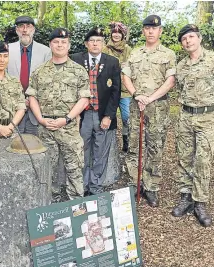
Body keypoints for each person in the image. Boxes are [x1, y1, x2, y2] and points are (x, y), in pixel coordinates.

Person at [172, 24, 214, 227]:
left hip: (207, 118)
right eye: (184, 39)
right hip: (185, 117)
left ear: (199, 38)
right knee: (185, 158)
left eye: (191, 37)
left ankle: (200, 202)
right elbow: (180, 90)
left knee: (203, 160)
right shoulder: (181, 66)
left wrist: (212, 110)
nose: (188, 41)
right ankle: (186, 197)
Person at [26, 28, 90, 201]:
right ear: (50, 45)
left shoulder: (78, 71)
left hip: (69, 128)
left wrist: (67, 118)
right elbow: (32, 96)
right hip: (45, 128)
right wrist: (40, 119)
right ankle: (50, 204)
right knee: (47, 169)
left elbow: (84, 99)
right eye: (56, 42)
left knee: (74, 168)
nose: (60, 45)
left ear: (69, 45)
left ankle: (76, 204)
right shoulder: (39, 71)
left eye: (63, 42)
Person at [122, 15, 176, 207]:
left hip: (157, 107)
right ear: (143, 31)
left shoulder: (168, 54)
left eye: (155, 28)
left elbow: (170, 81)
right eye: (147, 28)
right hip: (137, 106)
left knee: (155, 146)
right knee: (134, 145)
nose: (151, 31)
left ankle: (152, 186)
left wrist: (150, 98)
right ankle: (135, 184)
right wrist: (137, 95)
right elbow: (125, 76)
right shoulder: (135, 54)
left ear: (160, 31)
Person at [71, 27, 121, 196]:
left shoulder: (112, 62)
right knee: (82, 152)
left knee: (100, 153)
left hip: (102, 115)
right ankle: (82, 186)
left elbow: (116, 91)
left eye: (99, 41)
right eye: (92, 40)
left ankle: (96, 187)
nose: (95, 44)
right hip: (82, 115)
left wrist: (109, 116)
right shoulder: (76, 59)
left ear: (103, 43)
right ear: (86, 44)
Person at [7, 16, 52, 136]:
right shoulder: (7, 50)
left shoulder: (45, 52)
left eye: (28, 26)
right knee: (12, 149)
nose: (25, 30)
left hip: (37, 112)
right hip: (13, 110)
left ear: (34, 29)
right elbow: (3, 79)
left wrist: (31, 100)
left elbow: (48, 82)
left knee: (36, 149)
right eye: (21, 26)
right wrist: (20, 100)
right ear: (17, 30)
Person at [102, 21, 133, 152]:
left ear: (123, 35)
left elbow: (131, 66)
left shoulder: (128, 50)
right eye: (114, 33)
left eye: (118, 33)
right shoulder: (105, 49)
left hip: (125, 90)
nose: (116, 35)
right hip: (110, 89)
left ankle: (127, 140)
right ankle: (110, 143)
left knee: (127, 117)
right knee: (109, 116)